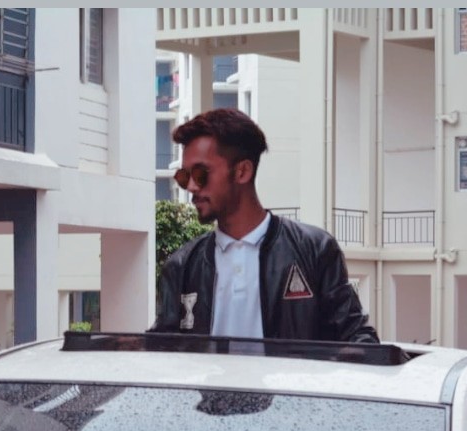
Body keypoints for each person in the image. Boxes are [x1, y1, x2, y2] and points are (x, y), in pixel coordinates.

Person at [152, 107, 379, 343]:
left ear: (242, 171)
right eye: (183, 177)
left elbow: (358, 338)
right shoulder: (182, 266)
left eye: (200, 174)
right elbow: (161, 349)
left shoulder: (314, 250)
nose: (191, 186)